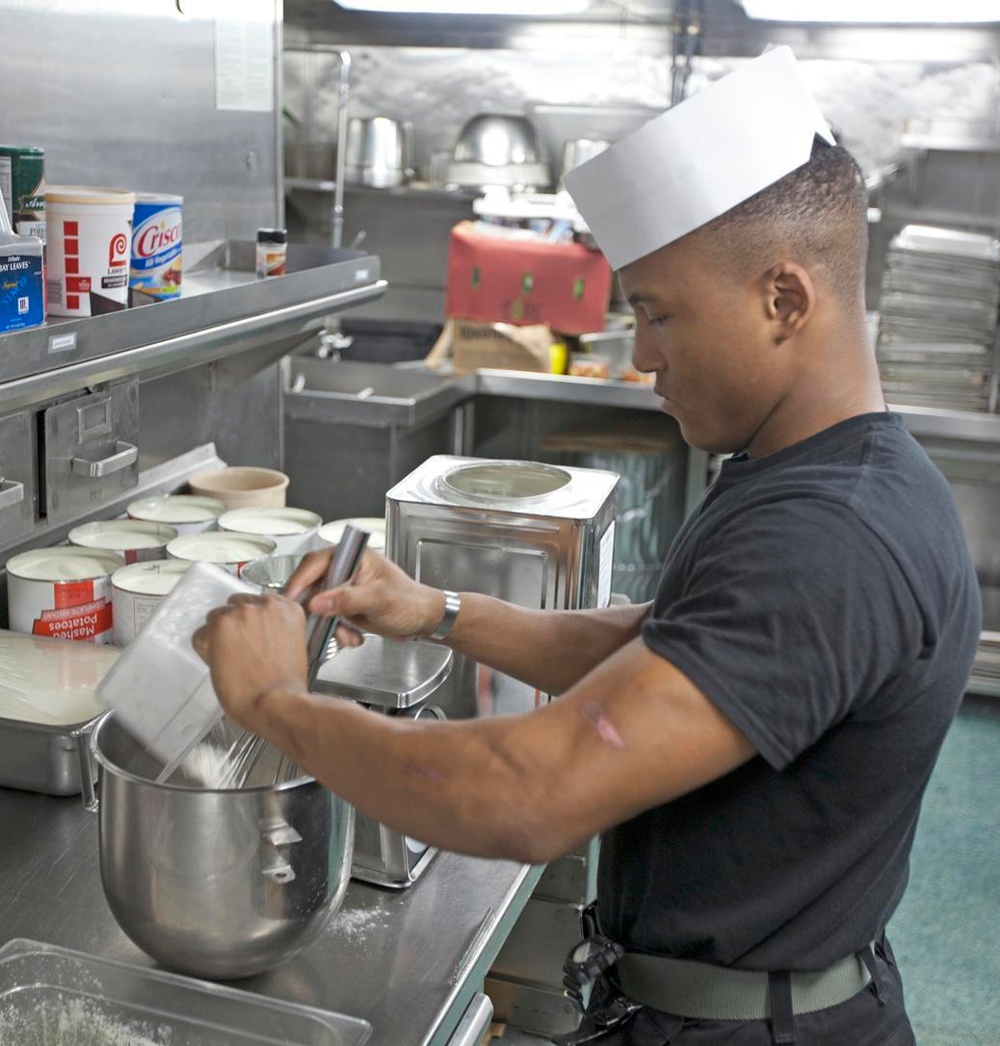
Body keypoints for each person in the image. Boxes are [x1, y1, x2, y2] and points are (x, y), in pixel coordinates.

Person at [193, 47, 980, 1045]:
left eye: (658, 312)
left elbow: (529, 794)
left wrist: (273, 704)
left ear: (784, 299)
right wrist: (430, 608)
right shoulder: (823, 472)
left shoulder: (829, 539)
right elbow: (659, 644)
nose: (641, 353)